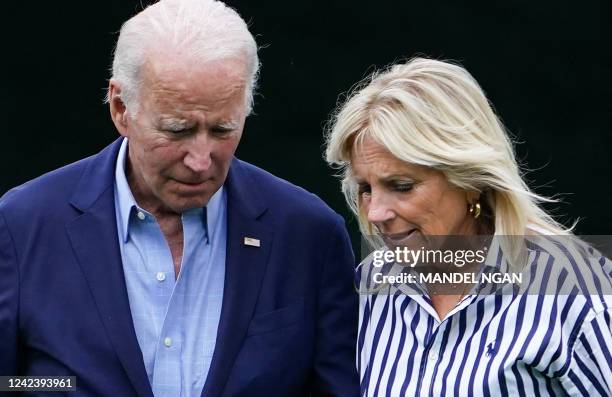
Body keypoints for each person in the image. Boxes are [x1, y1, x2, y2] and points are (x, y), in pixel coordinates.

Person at [0, 1, 359, 396]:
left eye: (223, 129)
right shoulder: (21, 225)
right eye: (177, 130)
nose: (201, 160)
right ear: (121, 108)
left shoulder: (309, 235)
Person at [325, 57, 612, 396]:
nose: (375, 213)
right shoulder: (370, 284)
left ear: (471, 180)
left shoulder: (576, 291)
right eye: (366, 189)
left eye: (401, 186)